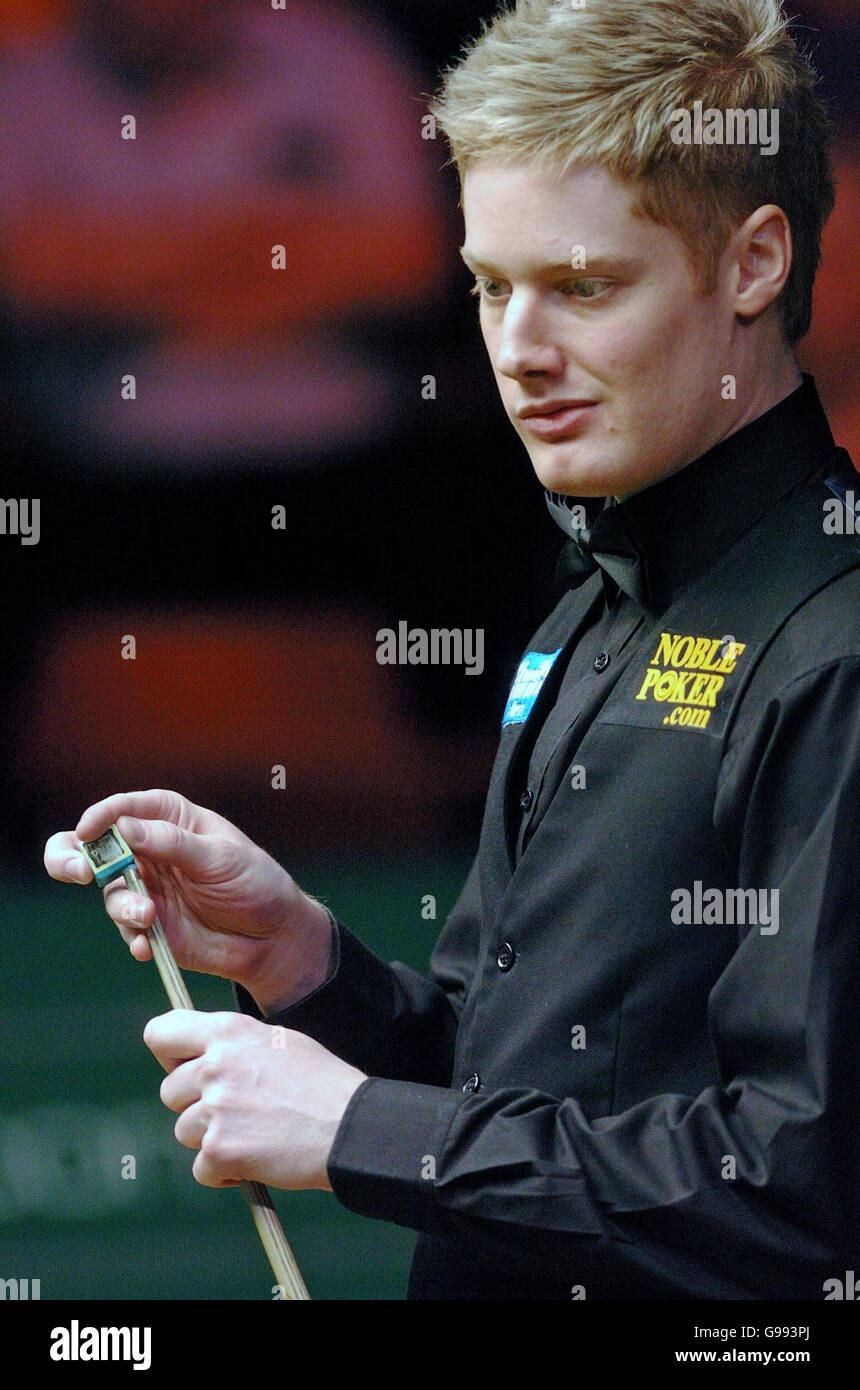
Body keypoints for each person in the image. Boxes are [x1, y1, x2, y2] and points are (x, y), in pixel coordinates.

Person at [45, 0, 860, 1299]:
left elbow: (801, 1196)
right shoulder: (594, 594)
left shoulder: (839, 640)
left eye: (584, 286)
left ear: (754, 264)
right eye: (491, 287)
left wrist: (360, 1131)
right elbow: (519, 1084)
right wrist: (307, 964)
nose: (521, 353)